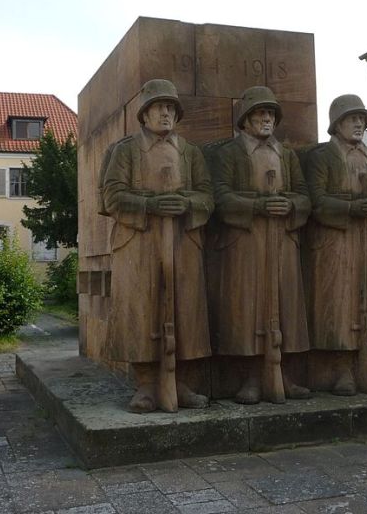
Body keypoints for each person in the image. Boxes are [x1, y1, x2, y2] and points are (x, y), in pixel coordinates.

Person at [102, 79, 214, 413]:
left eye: (170, 108)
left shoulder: (190, 152)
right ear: (144, 114)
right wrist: (151, 204)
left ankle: (180, 383)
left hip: (183, 241)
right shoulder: (125, 150)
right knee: (142, 310)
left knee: (185, 310)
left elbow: (208, 194)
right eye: (158, 107)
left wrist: (185, 204)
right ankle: (146, 385)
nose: (165, 113)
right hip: (138, 242)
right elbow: (112, 196)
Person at [211, 85, 311, 404]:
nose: (267, 119)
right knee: (246, 310)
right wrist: (255, 207)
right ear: (245, 120)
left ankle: (282, 374)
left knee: (286, 306)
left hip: (282, 241)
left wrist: (291, 206)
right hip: (245, 243)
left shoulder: (288, 155)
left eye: (271, 114)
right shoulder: (229, 153)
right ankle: (251, 377)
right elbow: (220, 196)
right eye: (260, 113)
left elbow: (304, 196)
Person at [303, 94, 367, 395]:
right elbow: (316, 202)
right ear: (337, 124)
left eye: (362, 119)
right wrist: (352, 209)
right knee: (340, 304)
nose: (359, 124)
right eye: (352, 118)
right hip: (337, 244)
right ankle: (342, 370)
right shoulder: (322, 157)